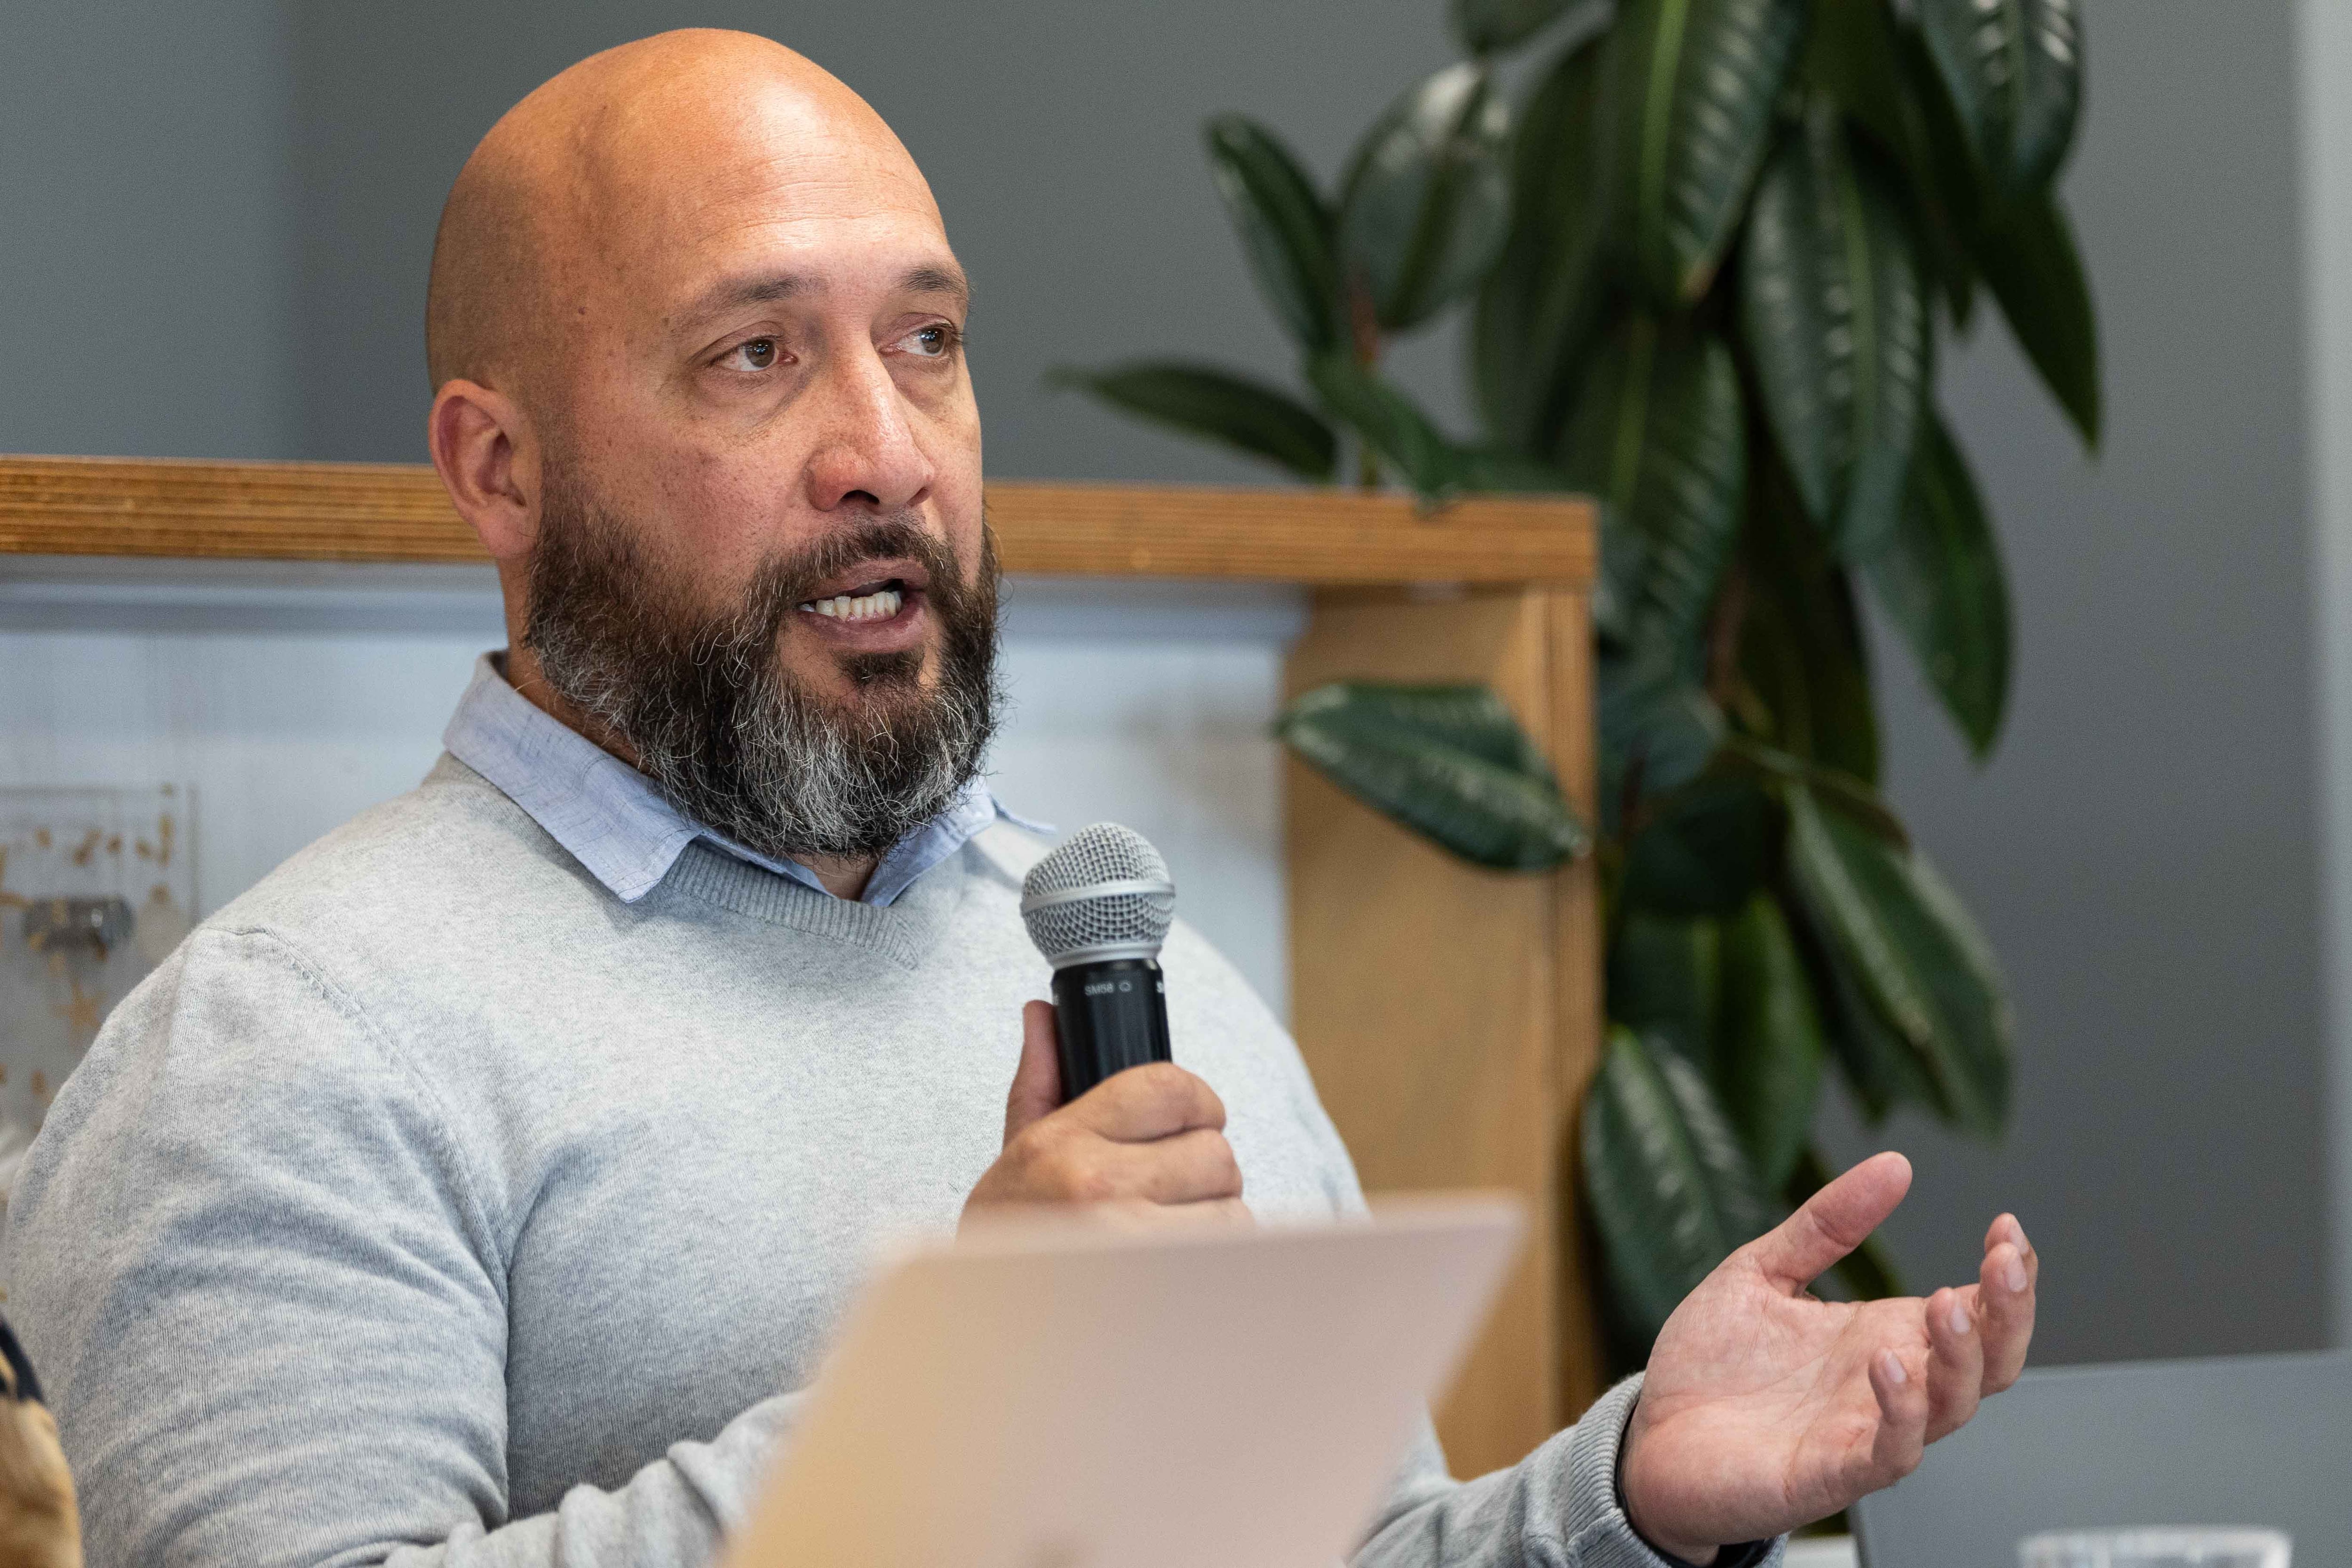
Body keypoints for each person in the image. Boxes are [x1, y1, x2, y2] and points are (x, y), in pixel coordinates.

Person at [2, 29, 2039, 1568]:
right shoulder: (287, 1040)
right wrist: (958, 1403)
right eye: (752, 359)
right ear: (498, 471)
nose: (885, 450)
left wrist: (1619, 1497)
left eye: (928, 342)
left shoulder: (1137, 974)